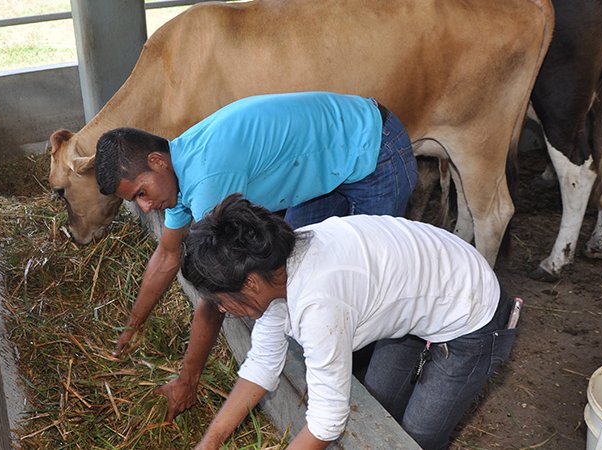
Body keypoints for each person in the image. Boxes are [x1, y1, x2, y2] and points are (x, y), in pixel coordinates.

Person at [94, 91, 418, 420]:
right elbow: (167, 254)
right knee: (292, 271)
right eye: (137, 201)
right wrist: (131, 328)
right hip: (325, 162)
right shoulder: (177, 173)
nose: (146, 207)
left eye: (142, 193)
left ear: (156, 161)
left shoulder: (207, 178)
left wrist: (188, 381)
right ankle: (326, 368)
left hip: (372, 148)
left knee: (358, 289)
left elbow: (216, 290)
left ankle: (355, 393)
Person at [181, 194, 518, 450]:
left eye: (220, 300)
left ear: (249, 283)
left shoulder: (319, 303)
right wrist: (210, 442)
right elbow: (264, 363)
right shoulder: (276, 266)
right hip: (415, 292)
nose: (222, 310)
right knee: (377, 403)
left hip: (470, 311)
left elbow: (327, 421)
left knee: (415, 436)